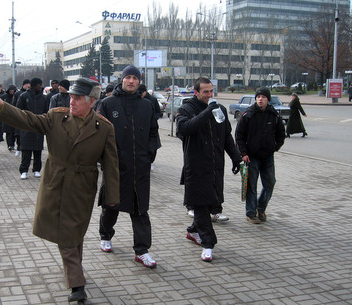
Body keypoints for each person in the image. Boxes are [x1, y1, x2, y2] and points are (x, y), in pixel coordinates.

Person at [0, 77, 119, 303]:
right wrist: (3, 107)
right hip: (55, 183)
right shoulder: (56, 117)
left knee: (74, 232)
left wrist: (113, 197)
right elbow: (29, 120)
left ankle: (73, 270)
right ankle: (77, 283)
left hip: (82, 188)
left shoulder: (104, 128)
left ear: (92, 102)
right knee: (65, 233)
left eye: (78, 99)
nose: (72, 102)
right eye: (71, 97)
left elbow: (111, 165)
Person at [97, 65, 160, 268]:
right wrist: (104, 160)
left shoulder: (147, 105)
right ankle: (105, 235)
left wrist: (150, 154)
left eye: (135, 78)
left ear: (139, 81)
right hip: (115, 168)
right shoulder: (107, 104)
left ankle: (142, 250)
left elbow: (153, 133)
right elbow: (98, 134)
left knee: (140, 210)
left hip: (140, 167)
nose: (131, 81)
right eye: (128, 77)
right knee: (111, 206)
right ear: (121, 80)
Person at [176, 77, 241, 262]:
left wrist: (236, 158)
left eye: (211, 91)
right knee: (201, 206)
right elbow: (184, 129)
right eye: (205, 91)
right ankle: (208, 244)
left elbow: (226, 136)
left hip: (215, 166)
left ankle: (193, 231)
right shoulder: (187, 109)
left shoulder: (219, 109)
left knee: (208, 203)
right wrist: (206, 113)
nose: (209, 95)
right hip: (196, 167)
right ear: (196, 92)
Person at [235, 87, 286, 224]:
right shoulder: (248, 115)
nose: (260, 99)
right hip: (251, 157)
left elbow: (281, 134)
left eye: (263, 97)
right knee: (252, 186)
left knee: (270, 183)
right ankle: (251, 213)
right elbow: (239, 135)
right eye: (258, 97)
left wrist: (275, 147)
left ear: (268, 99)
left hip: (267, 156)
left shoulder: (273, 115)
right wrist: (243, 153)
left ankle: (261, 207)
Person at [16, 78, 47, 179]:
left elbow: (46, 112)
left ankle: (37, 170)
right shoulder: (24, 96)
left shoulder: (43, 98)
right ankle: (24, 170)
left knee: (38, 150)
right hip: (27, 127)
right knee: (26, 151)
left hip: (39, 127)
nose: (40, 87)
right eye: (39, 85)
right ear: (33, 86)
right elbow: (18, 111)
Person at [12, 79, 30, 157]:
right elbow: (14, 104)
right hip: (19, 116)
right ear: (24, 85)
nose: (28, 86)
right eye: (27, 84)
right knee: (19, 134)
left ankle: (28, 150)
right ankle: (19, 148)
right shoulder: (18, 94)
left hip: (28, 117)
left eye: (29, 84)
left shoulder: (31, 94)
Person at [1, 85, 17, 150]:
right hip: (7, 116)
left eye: (13, 91)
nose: (11, 92)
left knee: (13, 132)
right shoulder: (4, 97)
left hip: (14, 116)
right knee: (8, 132)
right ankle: (9, 145)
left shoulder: (16, 97)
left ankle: (12, 144)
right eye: (10, 91)